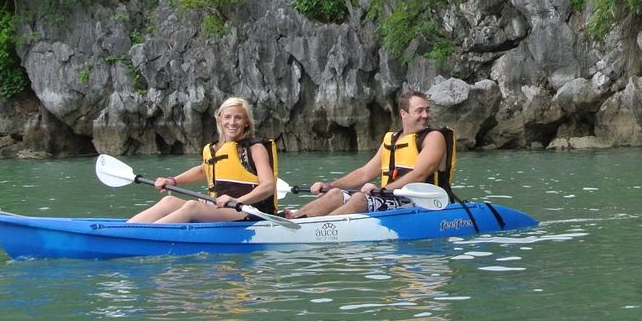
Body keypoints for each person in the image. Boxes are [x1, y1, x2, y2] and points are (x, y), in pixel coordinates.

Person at [283, 88, 455, 218]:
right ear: (403, 113)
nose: (426, 115)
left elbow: (419, 174)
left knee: (359, 198)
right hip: (389, 198)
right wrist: (331, 185)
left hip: (422, 203)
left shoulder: (433, 137)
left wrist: (380, 190)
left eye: (428, 110)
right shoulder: (393, 139)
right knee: (335, 194)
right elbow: (365, 173)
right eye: (419, 111)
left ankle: (318, 229)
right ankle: (295, 221)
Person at [129, 96, 278, 223]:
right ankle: (126, 230)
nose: (232, 122)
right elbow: (203, 170)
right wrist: (172, 181)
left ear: (246, 122)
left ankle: (143, 236)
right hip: (221, 208)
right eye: (227, 117)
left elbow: (268, 186)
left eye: (238, 118)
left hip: (248, 210)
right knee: (169, 201)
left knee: (193, 206)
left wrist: (239, 201)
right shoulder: (213, 149)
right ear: (219, 120)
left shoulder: (255, 148)